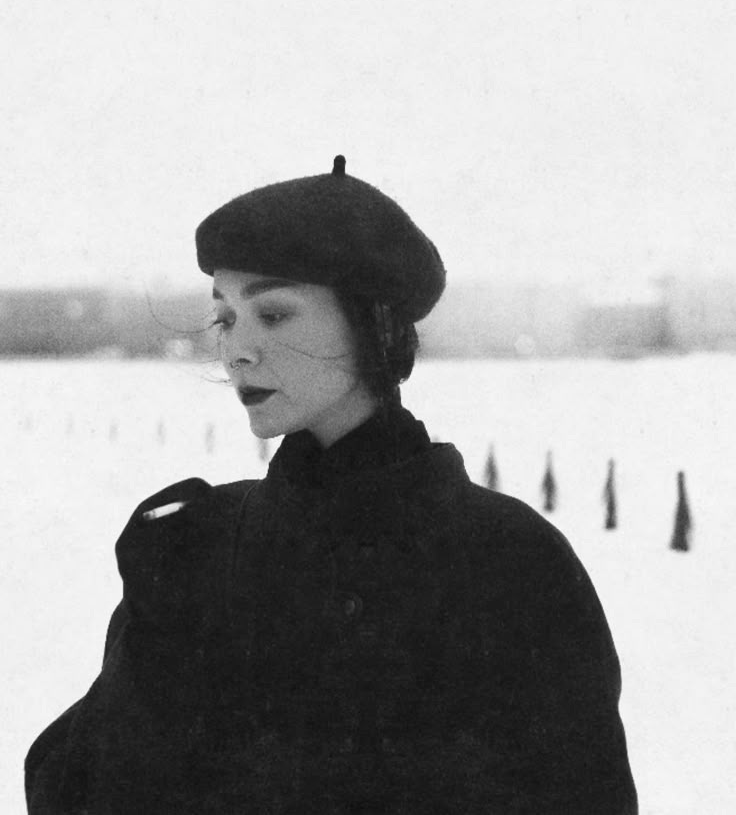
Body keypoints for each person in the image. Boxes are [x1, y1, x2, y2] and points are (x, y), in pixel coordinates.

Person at [25, 156, 638, 814]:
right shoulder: (193, 543)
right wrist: (151, 659)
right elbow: (75, 791)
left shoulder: (511, 560)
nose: (236, 350)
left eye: (275, 313)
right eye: (225, 318)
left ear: (373, 325)